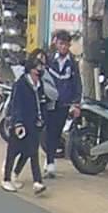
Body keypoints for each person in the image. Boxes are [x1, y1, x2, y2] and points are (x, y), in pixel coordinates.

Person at [3, 55, 47, 194]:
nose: (39, 72)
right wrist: (18, 123)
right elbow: (16, 105)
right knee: (13, 152)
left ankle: (37, 181)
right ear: (30, 69)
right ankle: (6, 179)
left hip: (34, 124)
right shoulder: (21, 84)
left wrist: (42, 119)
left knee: (32, 152)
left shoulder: (40, 86)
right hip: (20, 124)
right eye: (37, 69)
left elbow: (42, 103)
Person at [43, 29, 82, 178]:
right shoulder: (49, 59)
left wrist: (76, 103)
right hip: (49, 101)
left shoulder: (72, 63)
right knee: (48, 131)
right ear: (56, 44)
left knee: (57, 132)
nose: (64, 47)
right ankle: (49, 161)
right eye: (61, 44)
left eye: (66, 44)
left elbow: (77, 84)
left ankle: (50, 161)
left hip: (64, 103)